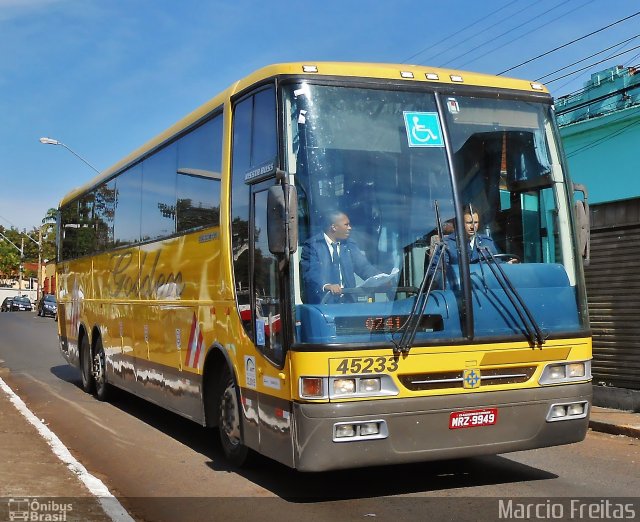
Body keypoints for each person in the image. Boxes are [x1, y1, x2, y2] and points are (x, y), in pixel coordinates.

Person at [301, 210, 382, 303]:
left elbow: (363, 267)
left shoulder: (349, 245)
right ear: (334, 227)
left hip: (349, 303)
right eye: (346, 225)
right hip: (323, 303)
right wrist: (327, 286)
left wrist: (380, 278)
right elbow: (311, 273)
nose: (350, 228)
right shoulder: (312, 246)